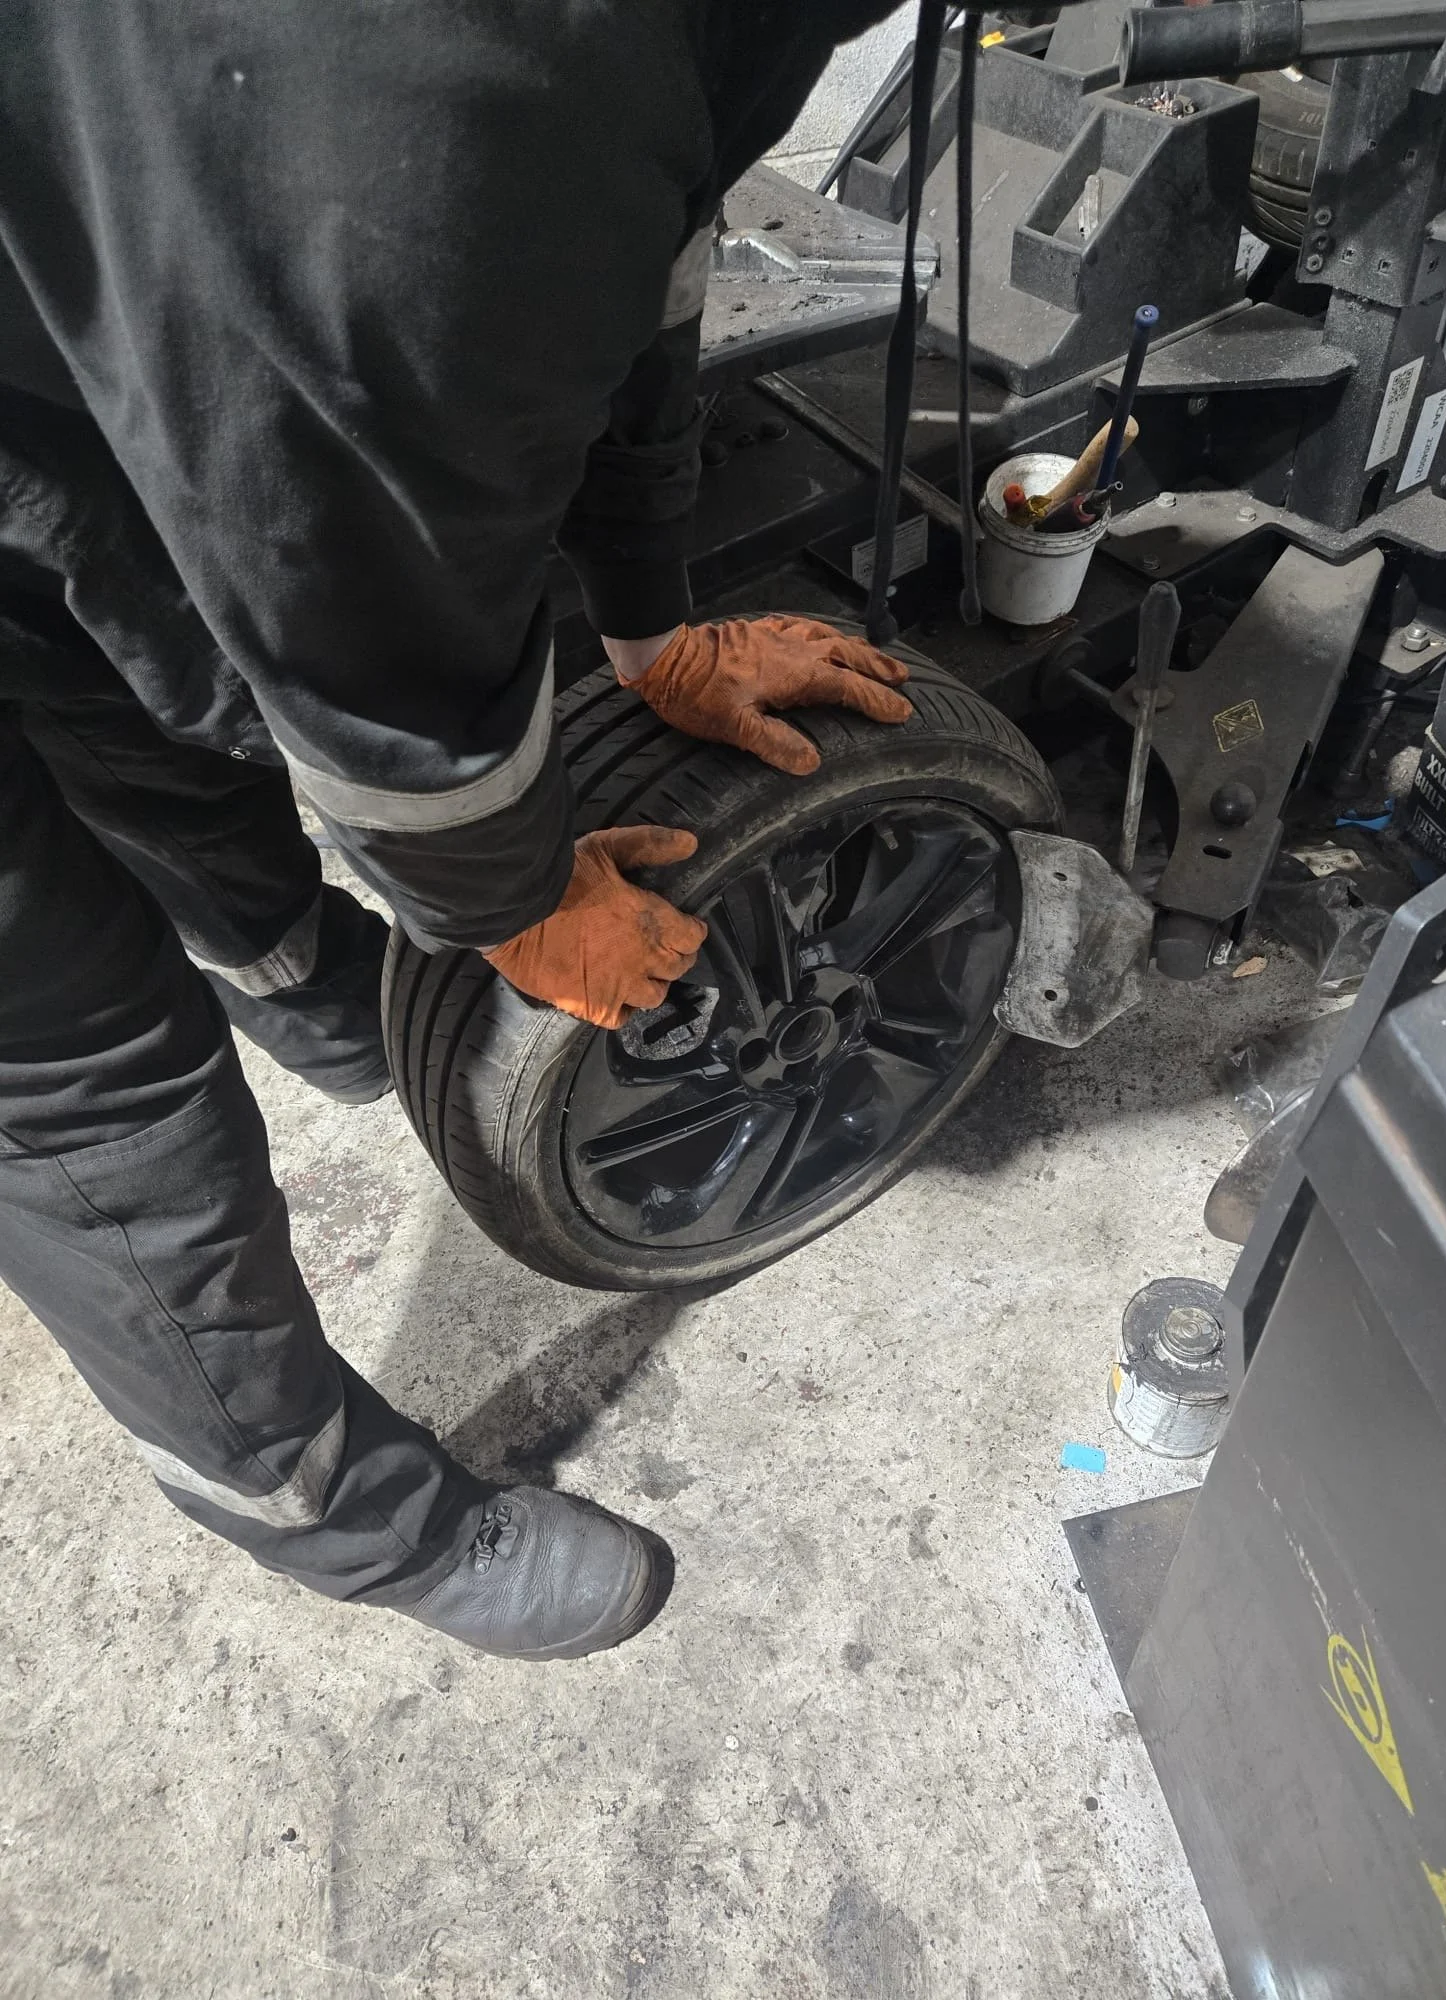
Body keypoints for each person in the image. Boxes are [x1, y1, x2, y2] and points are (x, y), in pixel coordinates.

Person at [0, 1, 919, 1662]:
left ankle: (317, 1002)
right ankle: (334, 1518)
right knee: (86, 1076)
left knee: (130, 682)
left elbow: (654, 223)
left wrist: (653, 617)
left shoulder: (580, 82)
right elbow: (346, 604)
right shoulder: (415, 114)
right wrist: (508, 897)